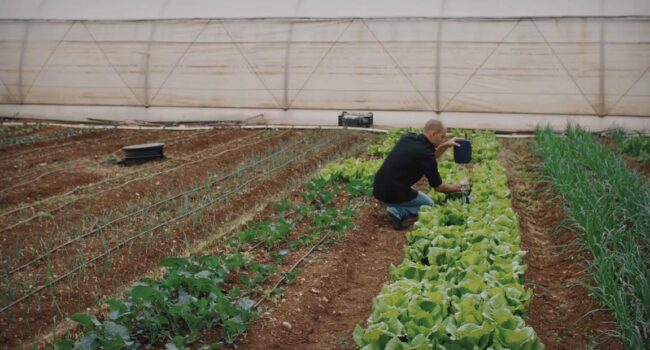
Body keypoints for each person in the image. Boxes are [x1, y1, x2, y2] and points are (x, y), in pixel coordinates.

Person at [373, 119, 466, 230]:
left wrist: (445, 145)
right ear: (433, 134)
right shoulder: (426, 155)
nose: (443, 140)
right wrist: (460, 187)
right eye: (442, 137)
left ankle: (395, 205)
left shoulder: (408, 138)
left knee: (408, 190)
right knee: (429, 204)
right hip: (392, 192)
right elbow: (439, 187)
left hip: (378, 188)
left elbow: (429, 157)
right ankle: (397, 211)